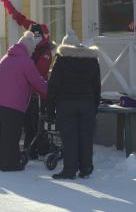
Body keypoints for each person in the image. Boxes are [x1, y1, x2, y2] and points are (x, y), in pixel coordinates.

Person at [0, 31, 48, 171]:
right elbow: (38, 83)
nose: (33, 52)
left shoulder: (5, 58)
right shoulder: (26, 62)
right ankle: (10, 164)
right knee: (11, 136)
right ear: (28, 48)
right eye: (33, 49)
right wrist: (51, 91)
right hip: (12, 106)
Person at [47, 30, 101, 180]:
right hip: (87, 103)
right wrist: (95, 104)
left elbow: (53, 87)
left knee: (69, 137)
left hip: (66, 104)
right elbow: (97, 86)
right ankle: (86, 168)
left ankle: (69, 170)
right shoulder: (92, 61)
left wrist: (49, 110)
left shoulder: (61, 61)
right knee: (86, 136)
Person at [24, 24, 54, 158]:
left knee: (37, 121)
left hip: (38, 91)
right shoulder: (28, 48)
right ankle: (31, 148)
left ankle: (37, 148)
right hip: (27, 90)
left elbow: (40, 71)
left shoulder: (45, 50)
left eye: (38, 35)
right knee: (29, 122)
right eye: (34, 35)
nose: (36, 38)